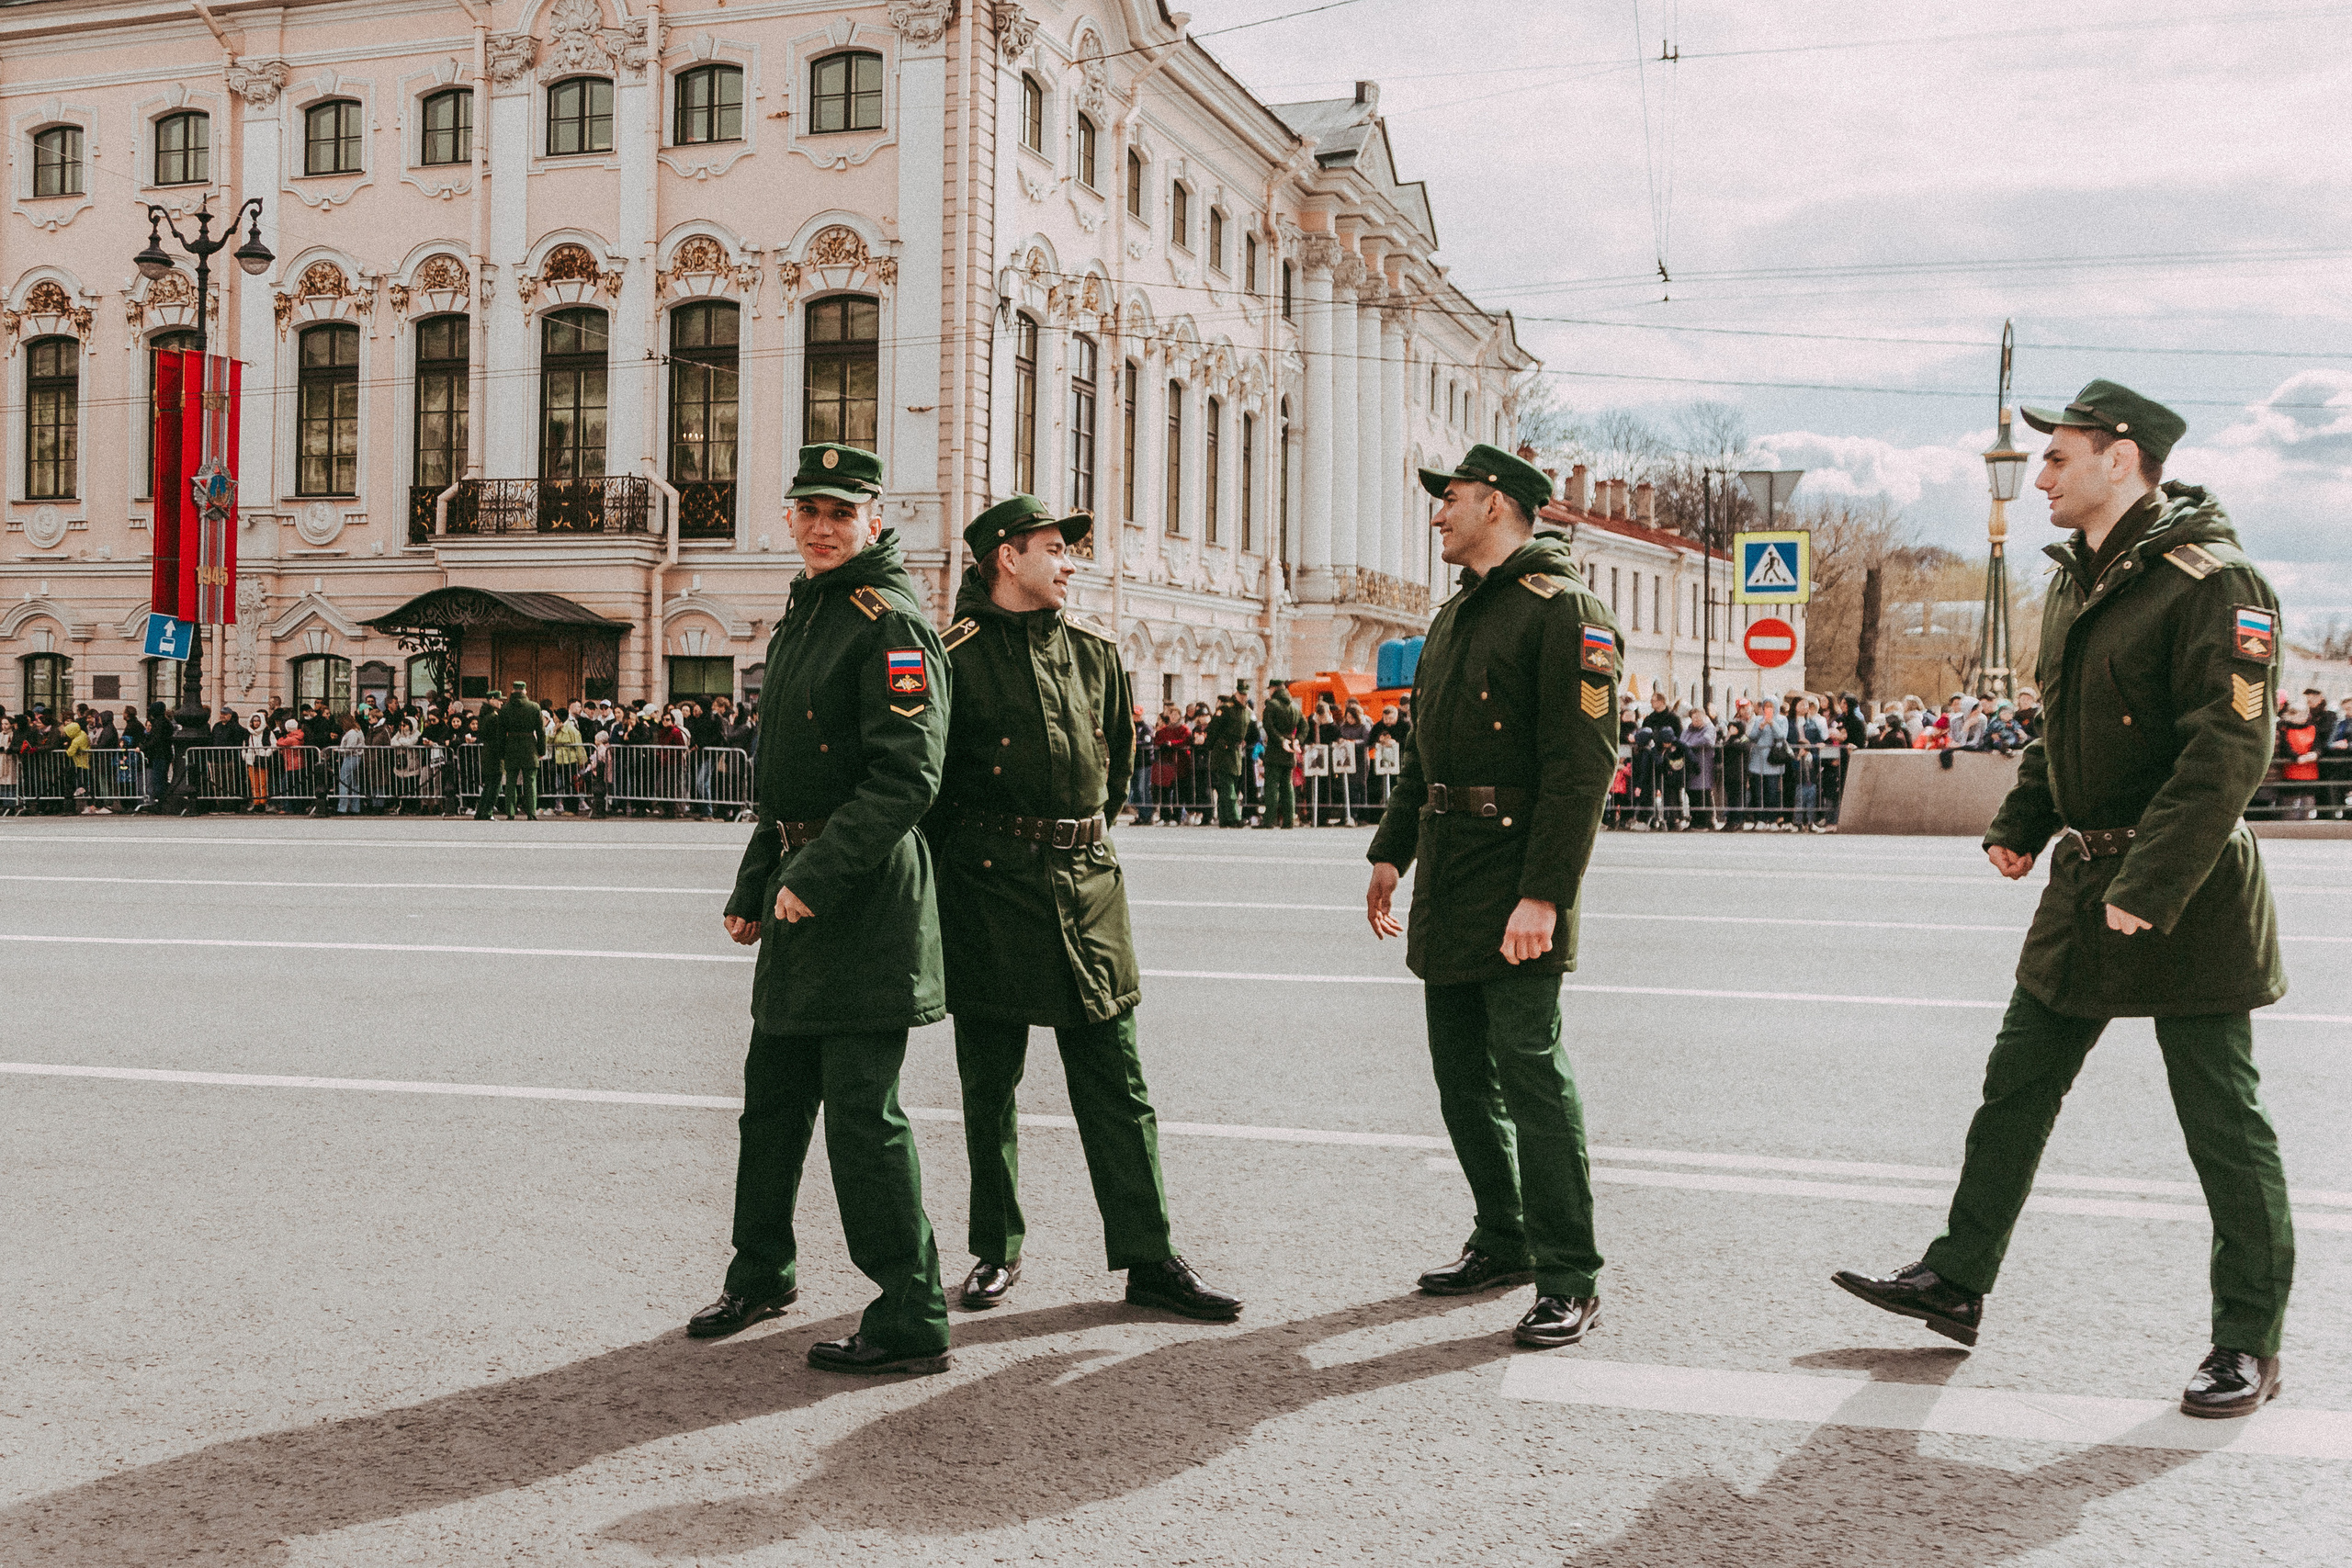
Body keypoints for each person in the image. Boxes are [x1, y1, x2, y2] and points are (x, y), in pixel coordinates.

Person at [1833, 379, 2294, 1420]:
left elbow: (2229, 748)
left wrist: (2151, 882)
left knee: (2221, 1121)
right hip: (2085, 881)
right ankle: (1956, 1277)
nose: (2039, 475)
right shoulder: (2080, 579)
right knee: (2016, 1083)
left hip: (2183, 889)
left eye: (2057, 456)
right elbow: (2063, 721)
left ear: (2120, 460)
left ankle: (2248, 1341)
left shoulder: (2215, 581)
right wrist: (2022, 820)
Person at [930, 494, 1240, 1323]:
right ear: (1007, 557)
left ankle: (1149, 1255)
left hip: (1087, 884)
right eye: (1055, 549)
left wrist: (1072, 834)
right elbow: (934, 791)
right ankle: (995, 1247)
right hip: (989, 887)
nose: (1069, 564)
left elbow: (1114, 766)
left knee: (1117, 1080)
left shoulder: (1095, 654)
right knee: (989, 1084)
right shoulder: (952, 657)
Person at [695, 442, 955, 1378]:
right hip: (800, 891)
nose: (820, 526)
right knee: (769, 1105)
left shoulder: (890, 621)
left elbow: (907, 776)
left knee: (860, 1117)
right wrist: (754, 884)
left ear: (874, 519)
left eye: (840, 512)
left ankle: (912, 1314)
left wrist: (815, 876)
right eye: (807, 509)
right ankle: (760, 1272)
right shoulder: (808, 612)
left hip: (865, 901)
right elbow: (784, 781)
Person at [1365, 444, 1620, 1350]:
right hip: (1449, 872)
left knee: (1530, 1075)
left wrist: (1544, 896)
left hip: (1517, 876)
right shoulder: (1453, 616)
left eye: (1454, 498)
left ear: (1499, 505)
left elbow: (1581, 768)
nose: (1438, 513)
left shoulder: (1565, 612)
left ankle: (1569, 1273)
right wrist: (1391, 851)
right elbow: (1423, 749)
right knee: (1462, 1079)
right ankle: (1504, 1236)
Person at [490, 679, 545, 820]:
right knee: (530, 781)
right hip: (529, 746)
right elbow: (541, 731)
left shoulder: (505, 709)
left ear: (512, 690)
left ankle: (510, 812)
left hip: (511, 745)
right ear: (525, 691)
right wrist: (541, 750)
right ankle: (531, 812)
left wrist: (501, 752)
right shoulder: (534, 707)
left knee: (511, 781)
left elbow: (500, 733)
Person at [1260, 682, 1300, 829]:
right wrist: (1297, 741)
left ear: (1273, 689)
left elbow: (1268, 726)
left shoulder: (1272, 705)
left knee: (1271, 786)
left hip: (1275, 750)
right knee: (1287, 786)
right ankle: (1289, 820)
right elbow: (1304, 726)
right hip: (1290, 751)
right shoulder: (1295, 706)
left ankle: (1269, 820)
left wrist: (1280, 740)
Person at [1206, 691, 1249, 828]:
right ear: (1236, 695)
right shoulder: (1226, 709)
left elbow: (1251, 731)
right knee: (1228, 785)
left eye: (1245, 695)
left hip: (1235, 751)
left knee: (1228, 785)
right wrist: (1211, 745)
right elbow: (1213, 729)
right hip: (1223, 751)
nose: (1244, 698)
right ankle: (1234, 817)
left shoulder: (1246, 711)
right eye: (1242, 695)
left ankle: (1225, 818)